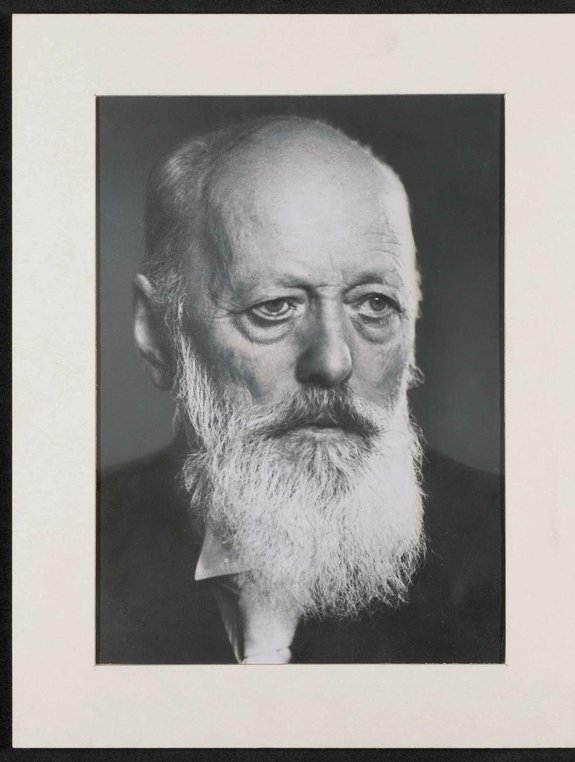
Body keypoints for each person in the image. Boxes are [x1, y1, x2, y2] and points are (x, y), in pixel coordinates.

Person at [98, 115, 502, 665]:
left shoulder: (515, 552)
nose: (333, 361)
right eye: (273, 307)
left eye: (375, 304)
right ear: (156, 333)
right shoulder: (63, 546)